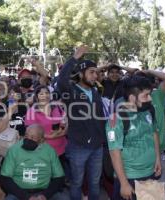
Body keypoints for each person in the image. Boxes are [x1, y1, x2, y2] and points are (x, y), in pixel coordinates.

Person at [57, 45, 106, 200]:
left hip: (97, 147)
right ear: (81, 74)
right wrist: (74, 58)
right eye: (91, 72)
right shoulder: (70, 91)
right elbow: (61, 79)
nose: (95, 76)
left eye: (96, 73)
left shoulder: (96, 92)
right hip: (78, 146)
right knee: (77, 182)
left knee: (95, 183)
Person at [106, 76, 162, 200]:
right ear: (132, 98)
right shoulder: (116, 119)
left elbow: (154, 133)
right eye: (146, 95)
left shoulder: (148, 110)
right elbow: (114, 153)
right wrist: (124, 183)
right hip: (130, 178)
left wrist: (158, 158)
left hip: (151, 173)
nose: (150, 98)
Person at [0, 124, 69, 200]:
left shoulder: (49, 151)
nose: (28, 139)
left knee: (64, 198)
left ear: (42, 140)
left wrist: (45, 195)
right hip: (20, 192)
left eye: (33, 137)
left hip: (44, 191)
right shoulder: (14, 150)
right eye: (26, 136)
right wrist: (26, 197)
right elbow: (5, 178)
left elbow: (59, 177)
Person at [25, 85, 67, 161]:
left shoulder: (57, 107)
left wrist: (63, 131)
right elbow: (31, 133)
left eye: (47, 93)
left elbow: (65, 121)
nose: (45, 95)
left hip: (61, 149)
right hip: (42, 151)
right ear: (37, 97)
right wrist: (50, 136)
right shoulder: (32, 111)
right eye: (41, 94)